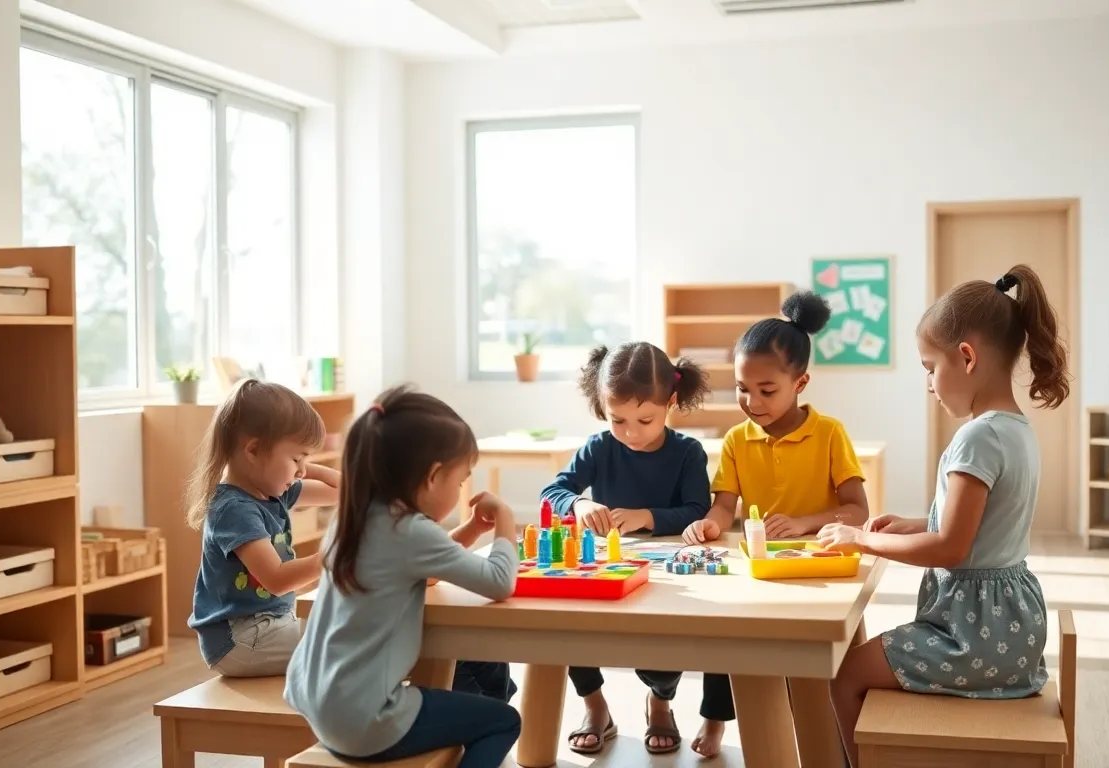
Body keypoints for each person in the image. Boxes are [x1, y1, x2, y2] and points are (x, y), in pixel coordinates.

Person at [816, 264, 1069, 767]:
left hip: (972, 634)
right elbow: (979, 528)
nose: (930, 383)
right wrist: (912, 524)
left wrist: (859, 539)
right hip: (1013, 628)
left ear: (967, 357)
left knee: (844, 676)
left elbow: (952, 548)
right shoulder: (1016, 430)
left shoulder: (978, 437)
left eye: (930, 367)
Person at [285, 385, 521, 768]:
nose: (461, 490)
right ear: (432, 477)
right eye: (459, 481)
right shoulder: (409, 530)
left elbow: (423, 568)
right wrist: (506, 520)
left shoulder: (358, 516)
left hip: (315, 701)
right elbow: (499, 581)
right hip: (362, 720)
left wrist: (473, 530)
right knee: (503, 721)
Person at [680, 290, 871, 757]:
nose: (751, 401)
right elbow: (725, 506)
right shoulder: (736, 440)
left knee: (823, 682)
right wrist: (710, 523)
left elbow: (857, 510)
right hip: (763, 570)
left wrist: (804, 524)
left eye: (767, 391)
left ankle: (836, 745)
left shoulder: (829, 434)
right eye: (742, 388)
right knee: (739, 651)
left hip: (823, 573)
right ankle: (731, 724)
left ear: (800, 382)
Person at [540, 341, 712, 756]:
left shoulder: (687, 452)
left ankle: (660, 702)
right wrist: (579, 503)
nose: (631, 432)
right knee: (567, 625)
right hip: (606, 567)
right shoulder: (600, 447)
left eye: (645, 419)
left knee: (667, 642)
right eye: (618, 420)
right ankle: (595, 707)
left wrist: (647, 517)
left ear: (671, 402)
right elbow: (553, 492)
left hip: (666, 572)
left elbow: (697, 509)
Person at [186, 379, 339, 677]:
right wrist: (334, 556)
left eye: (304, 459)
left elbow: (342, 492)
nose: (302, 470)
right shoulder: (234, 509)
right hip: (240, 640)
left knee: (347, 631)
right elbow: (277, 580)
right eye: (295, 457)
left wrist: (302, 465)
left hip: (268, 626)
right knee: (346, 645)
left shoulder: (271, 491)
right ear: (253, 450)